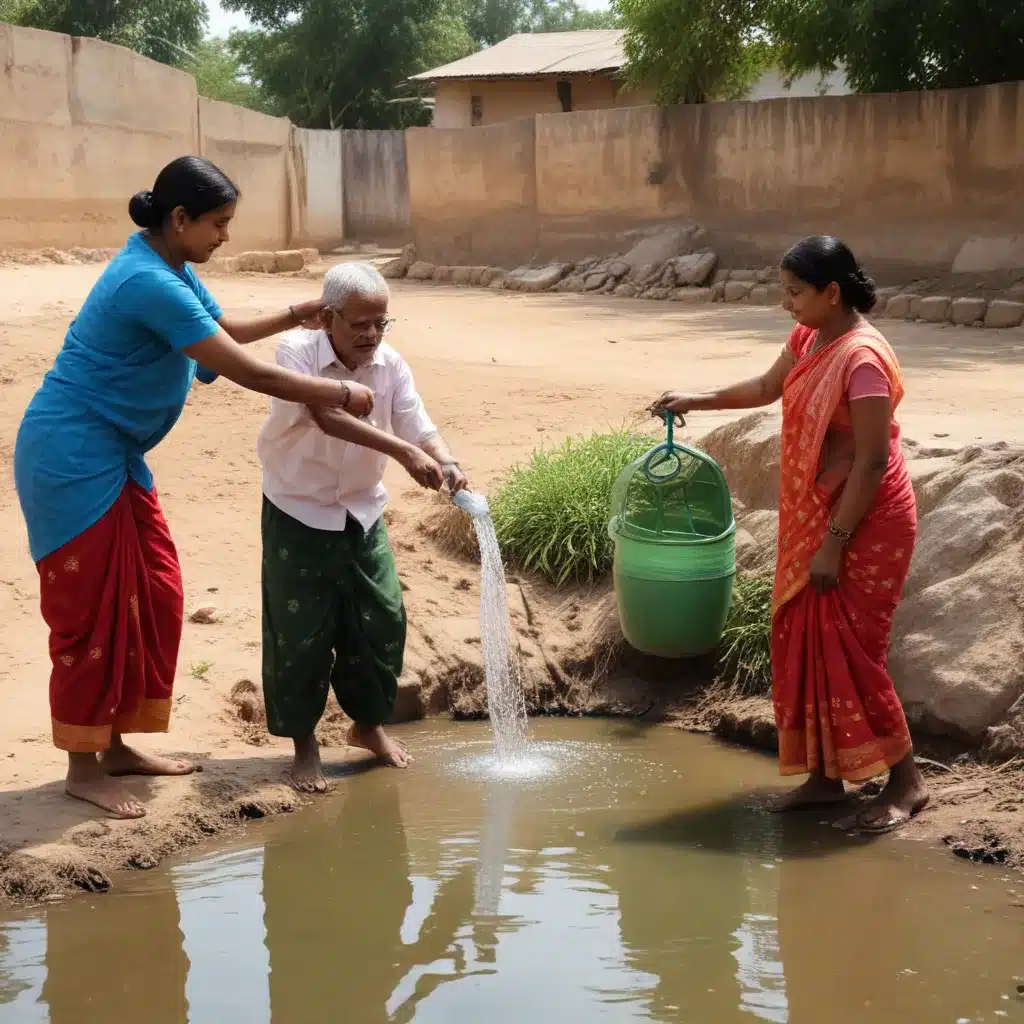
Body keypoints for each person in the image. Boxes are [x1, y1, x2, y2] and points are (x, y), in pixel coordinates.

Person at [14, 156, 375, 820]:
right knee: (90, 610)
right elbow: (247, 372)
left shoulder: (169, 268)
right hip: (70, 454)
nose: (225, 237)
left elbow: (222, 331)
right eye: (219, 224)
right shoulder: (145, 281)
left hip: (113, 454)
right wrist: (343, 390)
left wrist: (302, 312)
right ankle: (81, 767)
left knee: (152, 592)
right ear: (180, 220)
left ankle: (116, 745)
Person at [650, 235, 929, 833]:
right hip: (822, 513)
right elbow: (766, 387)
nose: (787, 304)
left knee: (854, 651)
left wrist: (835, 540)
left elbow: (874, 460)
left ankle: (907, 782)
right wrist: (695, 399)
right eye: (784, 292)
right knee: (808, 638)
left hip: (866, 520)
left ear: (832, 292)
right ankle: (826, 781)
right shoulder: (810, 338)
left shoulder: (863, 360)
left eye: (795, 293)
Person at [257, 262, 467, 792]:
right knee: (300, 632)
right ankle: (304, 746)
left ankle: (366, 727)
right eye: (360, 324)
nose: (372, 335)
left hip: (362, 510)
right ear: (328, 318)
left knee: (383, 618)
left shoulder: (390, 363)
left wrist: (446, 461)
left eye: (382, 323)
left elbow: (417, 422)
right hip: (298, 507)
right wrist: (402, 454)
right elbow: (327, 415)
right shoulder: (297, 355)